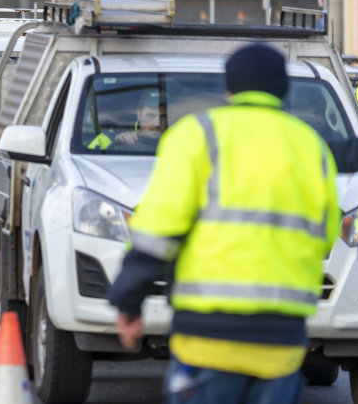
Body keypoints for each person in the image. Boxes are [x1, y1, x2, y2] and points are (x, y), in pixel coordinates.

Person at [107, 43, 338, 403]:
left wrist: (128, 301)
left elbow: (158, 230)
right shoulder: (311, 147)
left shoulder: (198, 135)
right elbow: (323, 238)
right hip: (282, 340)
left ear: (229, 88)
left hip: (206, 336)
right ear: (282, 89)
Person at [88, 90, 162, 150]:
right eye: (151, 115)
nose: (158, 123)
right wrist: (116, 143)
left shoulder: (173, 140)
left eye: (163, 116)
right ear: (139, 114)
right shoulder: (109, 137)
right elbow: (87, 163)